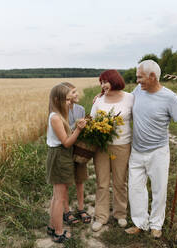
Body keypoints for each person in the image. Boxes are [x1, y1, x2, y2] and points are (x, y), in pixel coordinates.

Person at [124, 60, 177, 238]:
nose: (137, 81)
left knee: (159, 189)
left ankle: (156, 224)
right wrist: (103, 97)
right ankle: (140, 223)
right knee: (135, 188)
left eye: (140, 77)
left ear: (153, 77)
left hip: (158, 152)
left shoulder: (170, 97)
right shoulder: (137, 91)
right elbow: (121, 100)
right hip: (137, 150)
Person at [90, 70, 134, 232]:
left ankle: (120, 214)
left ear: (114, 81)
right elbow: (92, 120)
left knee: (120, 181)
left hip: (122, 145)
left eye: (105, 82)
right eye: (101, 82)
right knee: (102, 182)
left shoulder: (130, 98)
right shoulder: (99, 100)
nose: (102, 85)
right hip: (101, 147)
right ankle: (101, 217)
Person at [46, 83, 86, 243]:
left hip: (61, 156)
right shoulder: (55, 117)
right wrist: (78, 129)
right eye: (68, 100)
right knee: (59, 198)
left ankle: (52, 226)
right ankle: (58, 232)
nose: (70, 103)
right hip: (59, 156)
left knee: (57, 196)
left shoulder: (58, 114)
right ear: (57, 99)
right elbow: (66, 142)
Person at [60, 82, 92, 225]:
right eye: (73, 92)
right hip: (65, 150)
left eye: (76, 91)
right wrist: (76, 127)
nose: (77, 94)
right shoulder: (59, 112)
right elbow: (63, 132)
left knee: (80, 180)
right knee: (65, 182)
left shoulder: (81, 109)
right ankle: (66, 211)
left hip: (79, 150)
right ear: (65, 96)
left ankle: (80, 208)